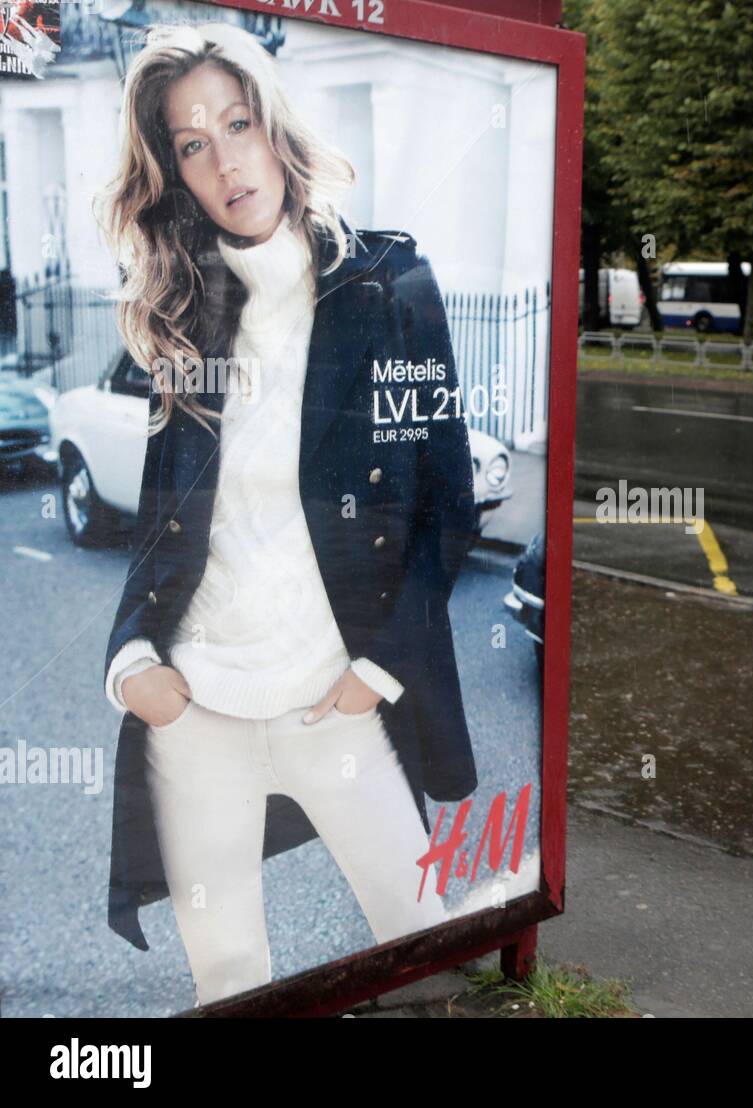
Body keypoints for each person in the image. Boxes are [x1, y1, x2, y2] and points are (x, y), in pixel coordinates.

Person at [95, 22, 478, 1006]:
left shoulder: (389, 289)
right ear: (173, 171)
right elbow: (159, 524)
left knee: (424, 943)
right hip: (198, 714)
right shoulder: (186, 314)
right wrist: (133, 659)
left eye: (237, 122)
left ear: (276, 126)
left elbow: (444, 503)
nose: (224, 159)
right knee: (228, 981)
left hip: (330, 702)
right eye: (191, 142)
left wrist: (375, 668)